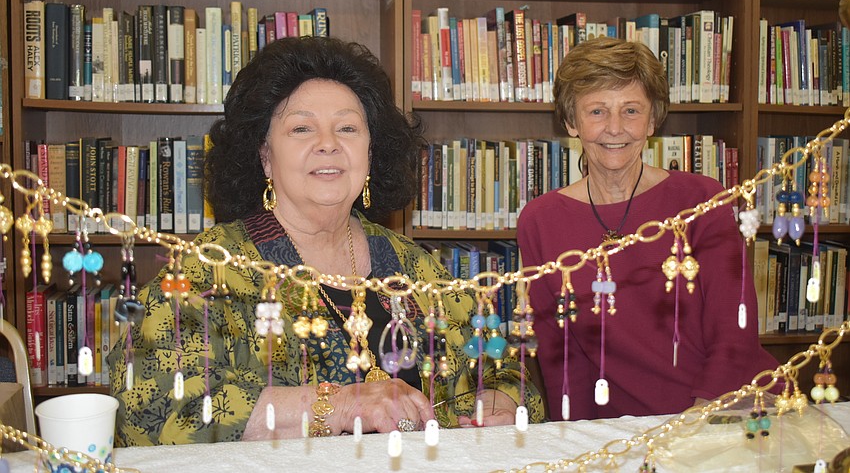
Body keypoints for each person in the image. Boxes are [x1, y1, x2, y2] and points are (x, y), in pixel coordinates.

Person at [109, 36, 543, 445]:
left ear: (371, 152)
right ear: (264, 156)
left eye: (348, 129)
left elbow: (501, 368)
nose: (328, 145)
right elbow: (149, 406)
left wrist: (502, 403)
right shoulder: (211, 268)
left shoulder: (413, 265)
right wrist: (339, 405)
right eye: (301, 129)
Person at [516, 36, 778, 422]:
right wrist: (574, 438)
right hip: (621, 428)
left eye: (632, 110)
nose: (615, 128)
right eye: (598, 111)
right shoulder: (539, 220)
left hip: (727, 411)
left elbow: (734, 329)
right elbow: (562, 355)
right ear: (572, 122)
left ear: (652, 120)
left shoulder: (704, 200)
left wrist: (699, 420)